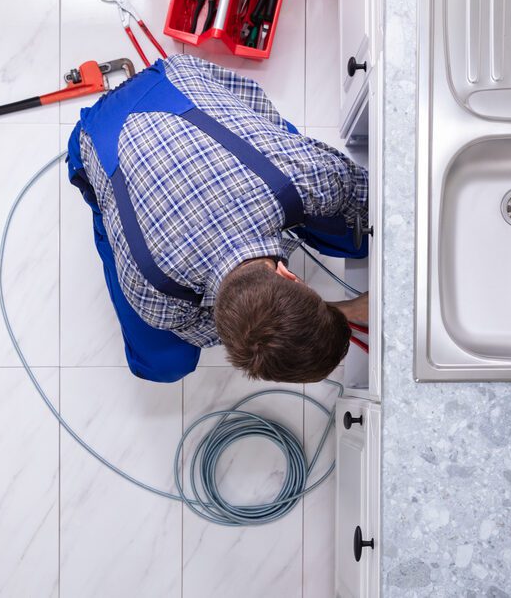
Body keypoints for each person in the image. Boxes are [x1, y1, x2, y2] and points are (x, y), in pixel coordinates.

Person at [67, 54, 368, 384]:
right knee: (163, 365)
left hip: (174, 78)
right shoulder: (156, 298)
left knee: (356, 236)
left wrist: (335, 312)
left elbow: (361, 192)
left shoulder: (306, 176)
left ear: (290, 276)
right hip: (93, 138)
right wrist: (344, 309)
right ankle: (103, 214)